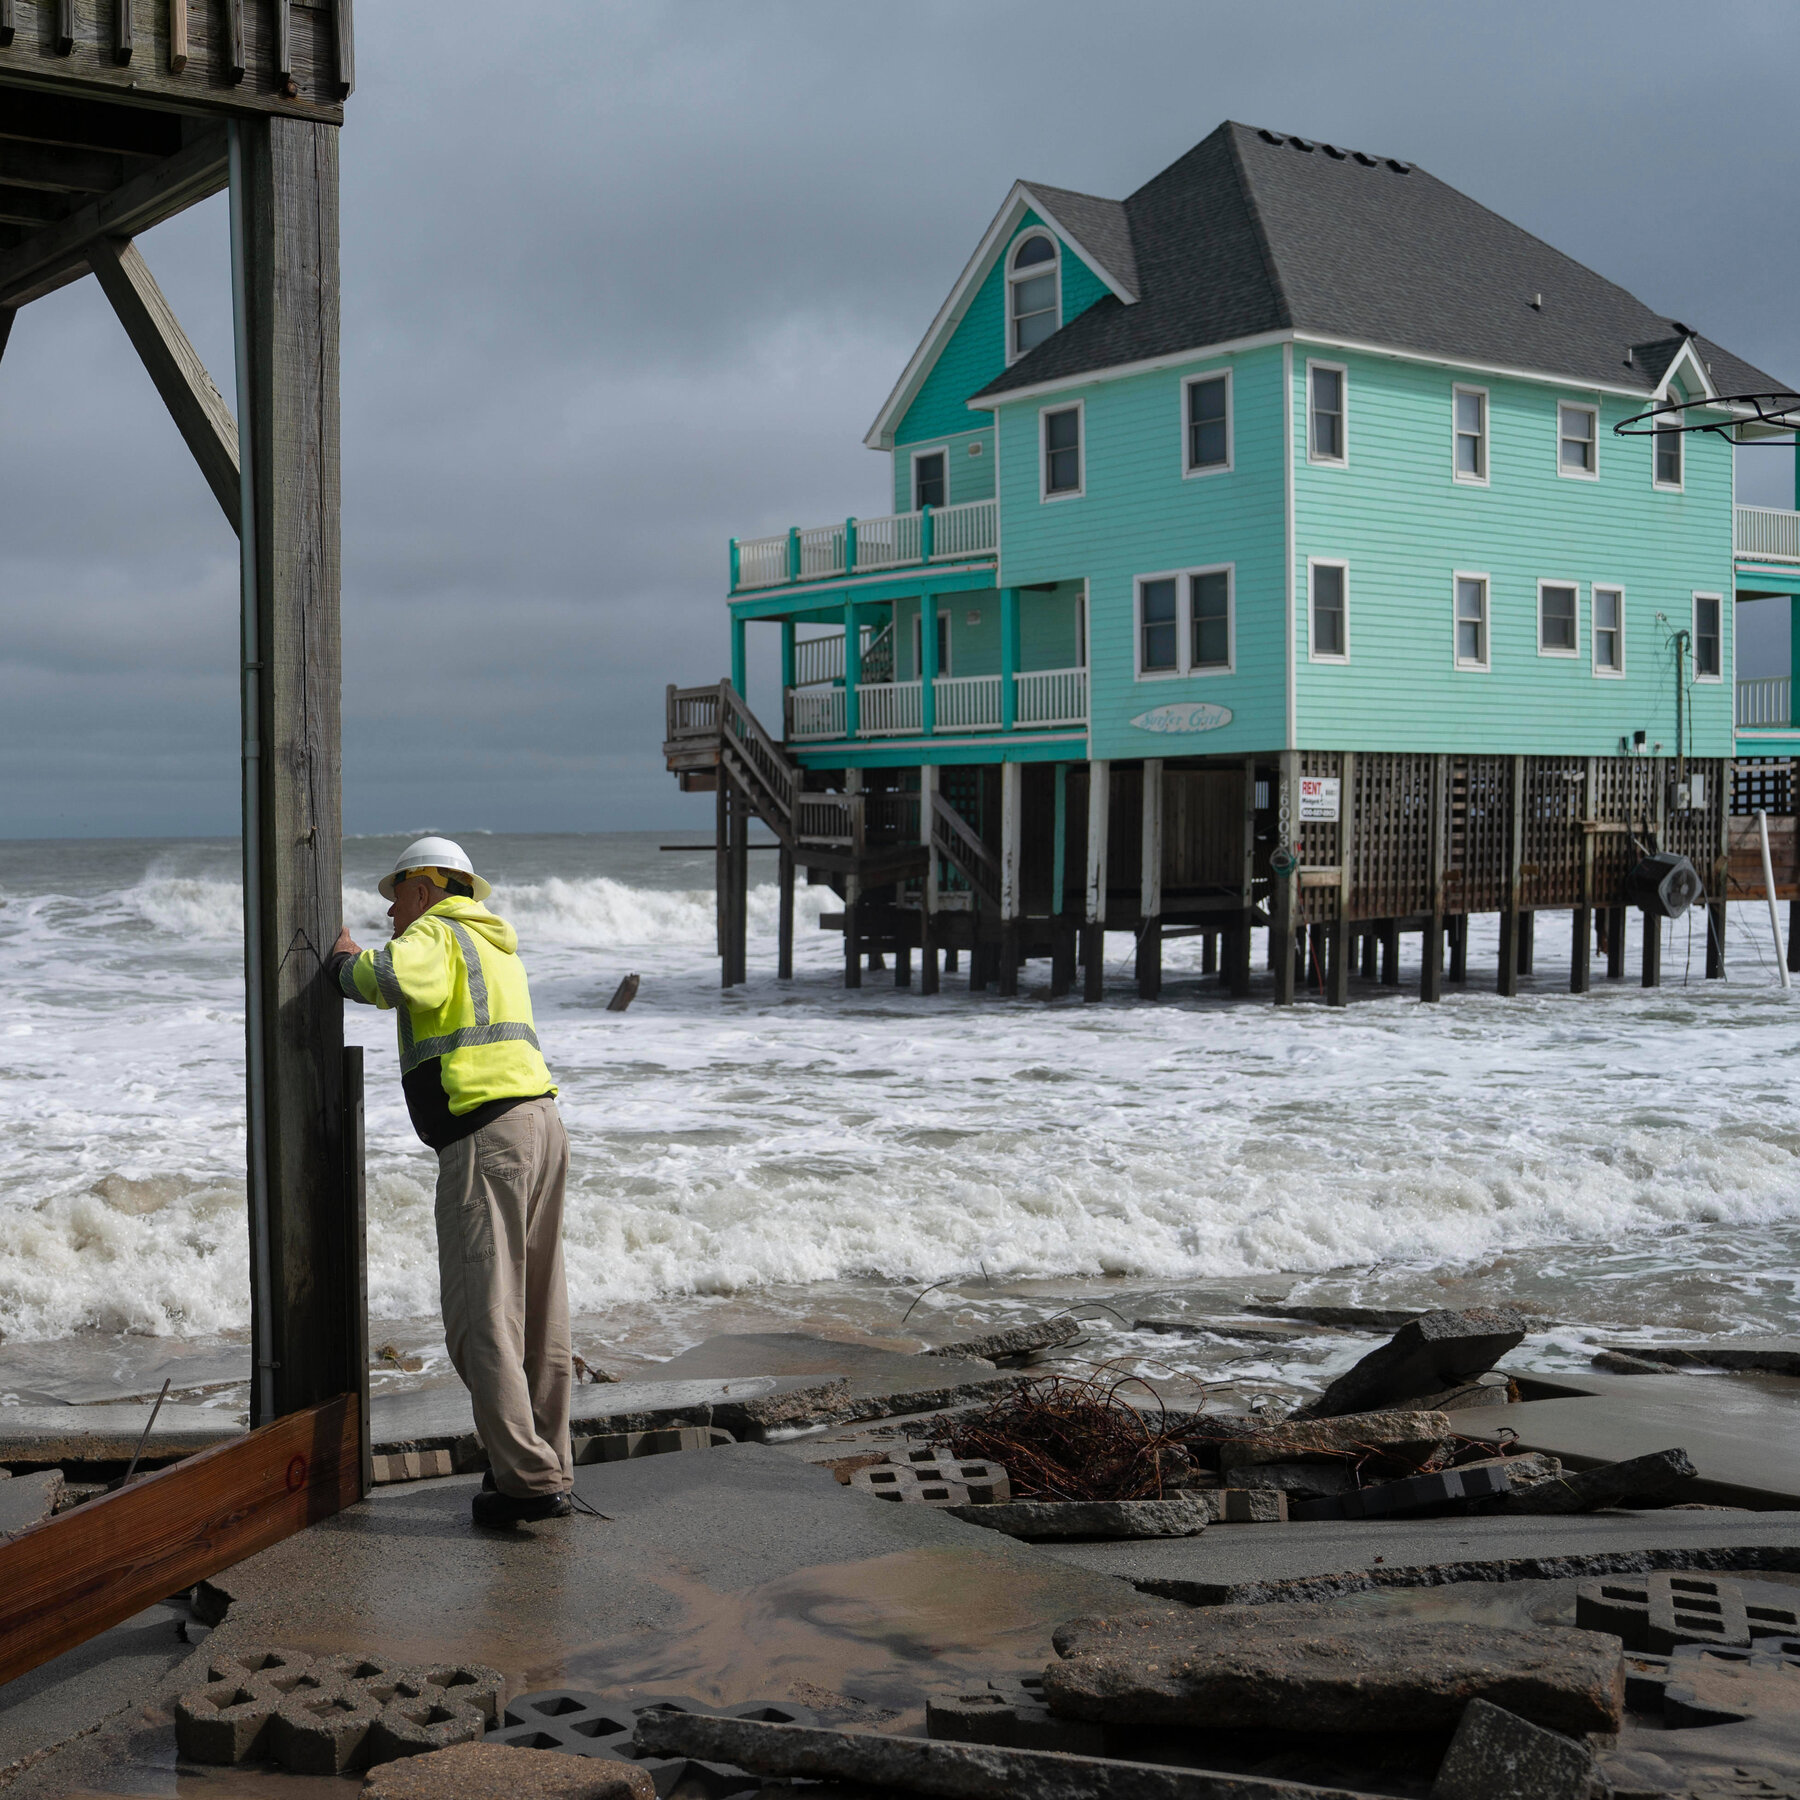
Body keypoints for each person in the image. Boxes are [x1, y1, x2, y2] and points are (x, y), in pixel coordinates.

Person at [330, 836, 573, 1527]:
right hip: (542, 1126)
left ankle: (526, 1482)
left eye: (394, 898)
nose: (389, 914)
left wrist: (345, 960)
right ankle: (544, 1462)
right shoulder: (496, 944)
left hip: (486, 1137)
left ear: (424, 890)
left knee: (483, 1320)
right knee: (539, 1314)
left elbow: (390, 979)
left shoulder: (437, 931)